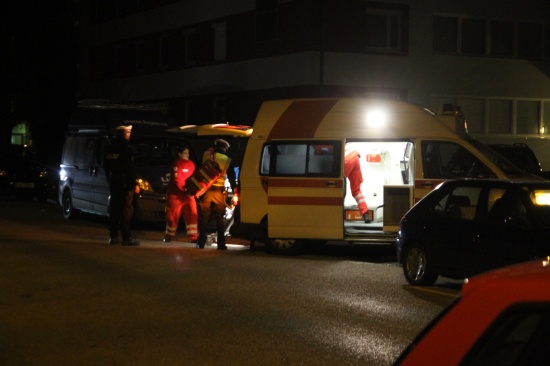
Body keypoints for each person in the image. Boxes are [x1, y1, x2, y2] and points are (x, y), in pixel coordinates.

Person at [196, 139, 237, 250]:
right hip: (219, 192)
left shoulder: (206, 155)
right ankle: (221, 244)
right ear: (224, 148)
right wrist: (235, 192)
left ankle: (201, 243)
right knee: (219, 218)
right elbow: (232, 178)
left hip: (205, 191)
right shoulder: (227, 160)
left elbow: (198, 170)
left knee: (204, 217)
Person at [103, 124, 140, 246]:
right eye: (128, 133)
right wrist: (134, 183)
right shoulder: (126, 147)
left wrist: (110, 178)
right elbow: (130, 167)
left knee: (114, 208)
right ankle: (126, 238)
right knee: (126, 210)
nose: (129, 135)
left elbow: (106, 165)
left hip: (114, 180)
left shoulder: (110, 147)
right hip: (125, 182)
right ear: (125, 134)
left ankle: (113, 236)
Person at [163, 146, 198, 243]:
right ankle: (169, 235)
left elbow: (194, 178)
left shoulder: (191, 164)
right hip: (176, 195)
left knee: (192, 215)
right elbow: (178, 180)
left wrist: (193, 191)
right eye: (185, 153)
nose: (187, 155)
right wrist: (186, 190)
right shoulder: (177, 164)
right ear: (179, 154)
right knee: (172, 216)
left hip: (188, 195)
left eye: (188, 153)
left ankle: (193, 237)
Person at [344, 143, 371, 223]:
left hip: (347, 159)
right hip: (355, 157)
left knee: (337, 185)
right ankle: (365, 213)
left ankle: (337, 213)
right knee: (356, 190)